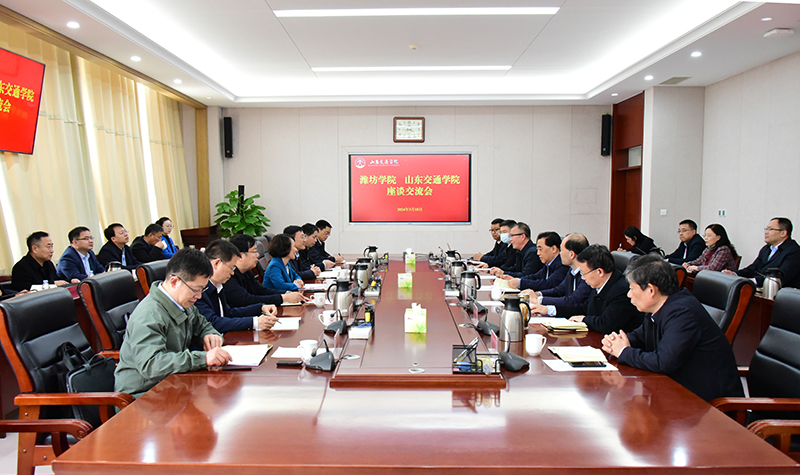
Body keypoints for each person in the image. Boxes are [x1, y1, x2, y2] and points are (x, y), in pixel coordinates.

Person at [602, 254, 744, 402]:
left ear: (651, 290)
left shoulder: (682, 313)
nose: (629, 294)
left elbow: (663, 362)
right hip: (678, 392)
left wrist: (624, 351)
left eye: (632, 288)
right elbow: (640, 336)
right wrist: (615, 342)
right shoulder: (660, 306)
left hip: (707, 403)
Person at [114, 248, 232, 399]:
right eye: (196, 290)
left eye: (202, 289)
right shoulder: (148, 315)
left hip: (172, 384)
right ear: (175, 282)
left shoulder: (182, 303)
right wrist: (203, 359)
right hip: (143, 396)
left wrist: (211, 335)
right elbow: (152, 365)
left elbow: (203, 325)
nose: (199, 296)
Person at [195, 240, 279, 333]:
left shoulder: (218, 285)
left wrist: (260, 308)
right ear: (216, 263)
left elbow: (229, 313)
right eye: (231, 268)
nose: (232, 273)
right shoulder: (199, 291)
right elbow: (213, 322)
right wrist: (254, 322)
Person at [565, 244, 643, 334]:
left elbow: (606, 325)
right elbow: (586, 308)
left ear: (600, 272)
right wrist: (554, 310)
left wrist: (583, 319)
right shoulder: (600, 283)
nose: (583, 278)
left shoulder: (622, 290)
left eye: (584, 273)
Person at [225, 234, 307, 307]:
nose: (258, 255)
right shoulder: (229, 277)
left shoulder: (247, 272)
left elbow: (260, 290)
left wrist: (286, 294)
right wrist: (283, 298)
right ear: (240, 256)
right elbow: (247, 300)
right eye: (254, 251)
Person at [527, 233, 593, 317]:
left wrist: (540, 300)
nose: (559, 254)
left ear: (571, 254)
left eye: (561, 250)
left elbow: (573, 300)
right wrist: (538, 294)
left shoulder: (587, 275)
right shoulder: (571, 271)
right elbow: (560, 290)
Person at [727, 217, 800, 288]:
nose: (766, 232)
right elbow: (753, 268)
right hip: (761, 289)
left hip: (781, 293)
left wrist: (754, 280)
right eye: (766, 229)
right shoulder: (767, 248)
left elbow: (782, 276)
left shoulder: (794, 251)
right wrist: (735, 274)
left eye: (770, 229)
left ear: (783, 233)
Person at [501, 231, 567, 292]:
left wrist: (520, 283)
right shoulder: (548, 265)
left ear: (553, 249)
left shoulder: (562, 264)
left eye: (540, 249)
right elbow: (535, 277)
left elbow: (548, 284)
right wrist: (515, 279)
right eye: (537, 250)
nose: (538, 253)